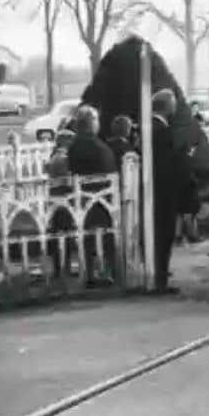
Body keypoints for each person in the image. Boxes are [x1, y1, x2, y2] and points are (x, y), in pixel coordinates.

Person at [149, 89, 197, 294]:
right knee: (164, 234)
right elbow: (168, 163)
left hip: (159, 191)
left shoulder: (153, 127)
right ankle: (160, 278)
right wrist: (185, 156)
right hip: (164, 193)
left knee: (162, 234)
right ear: (167, 106)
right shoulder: (161, 131)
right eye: (173, 104)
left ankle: (160, 274)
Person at [66, 106, 119, 287]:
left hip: (83, 197)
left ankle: (90, 272)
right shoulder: (98, 146)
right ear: (91, 123)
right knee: (106, 236)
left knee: (87, 238)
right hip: (101, 196)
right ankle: (108, 271)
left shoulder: (74, 146)